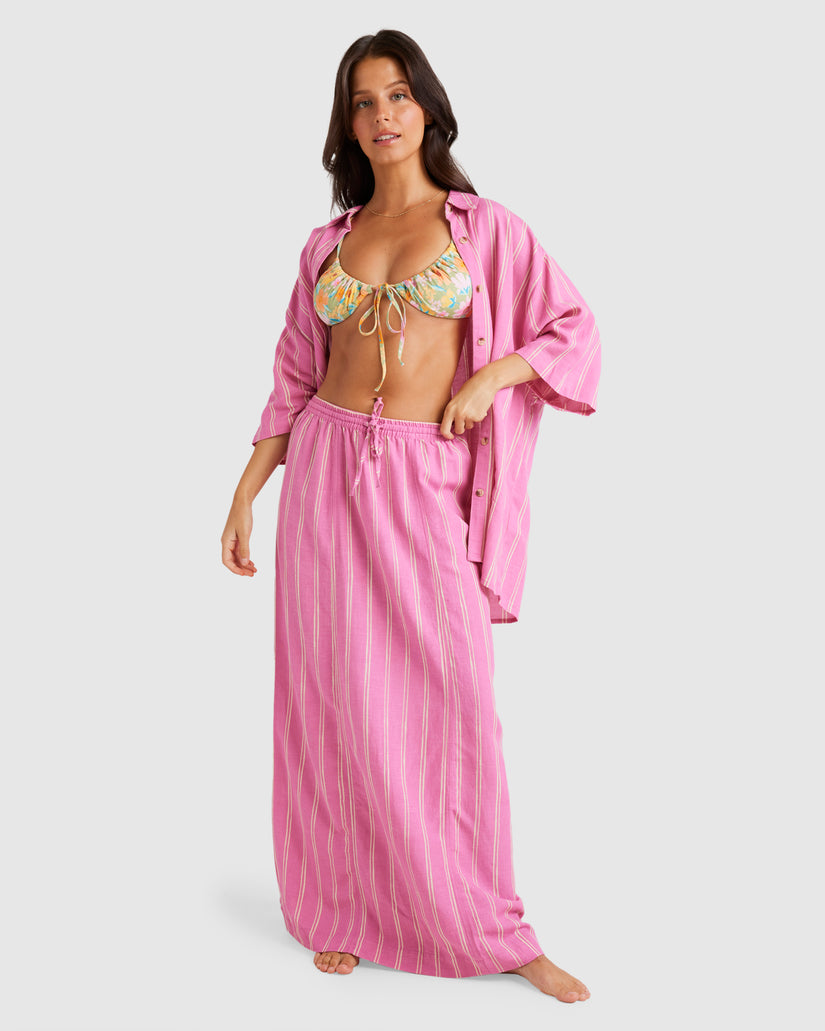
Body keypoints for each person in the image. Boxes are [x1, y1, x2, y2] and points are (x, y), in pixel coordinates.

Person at [221, 29, 600, 1003]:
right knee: (330, 698)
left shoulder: (485, 228)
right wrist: (247, 490)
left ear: (427, 106)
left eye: (397, 95)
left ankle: (494, 926)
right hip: (322, 472)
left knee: (452, 703)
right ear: (346, 123)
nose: (382, 114)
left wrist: (495, 373)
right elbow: (295, 374)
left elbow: (572, 327)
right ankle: (341, 904)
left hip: (424, 478)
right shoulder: (327, 243)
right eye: (363, 101)